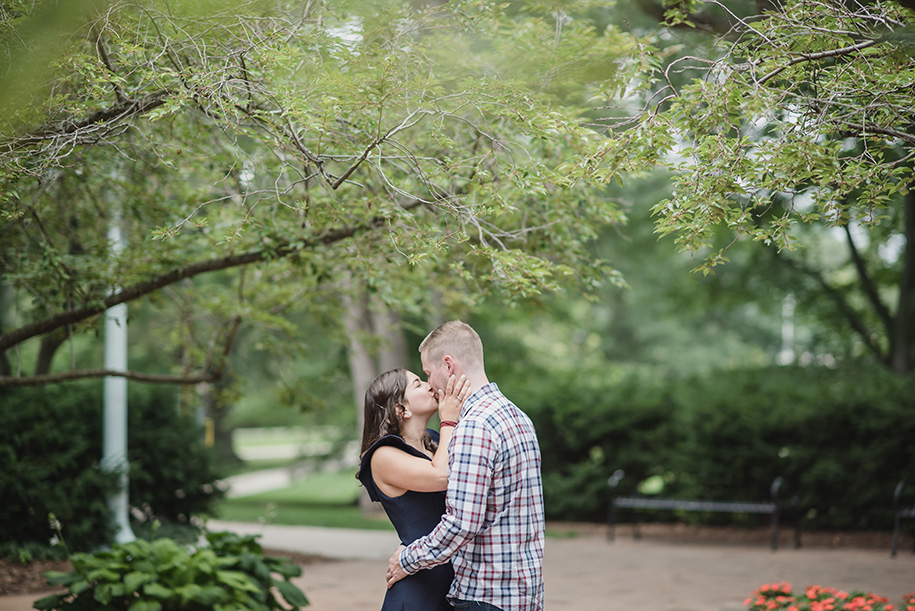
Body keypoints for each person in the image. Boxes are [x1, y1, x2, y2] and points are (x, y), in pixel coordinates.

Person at [385, 320, 545, 611]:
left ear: (448, 365)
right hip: (525, 594)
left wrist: (406, 559)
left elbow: (461, 523)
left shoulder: (474, 427)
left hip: (486, 596)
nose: (430, 384)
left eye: (428, 373)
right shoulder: (518, 416)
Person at [357, 366, 471, 611]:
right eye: (418, 384)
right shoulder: (383, 455)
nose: (430, 385)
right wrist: (449, 420)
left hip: (455, 585)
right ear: (401, 409)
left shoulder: (436, 441)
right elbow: (442, 475)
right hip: (417, 592)